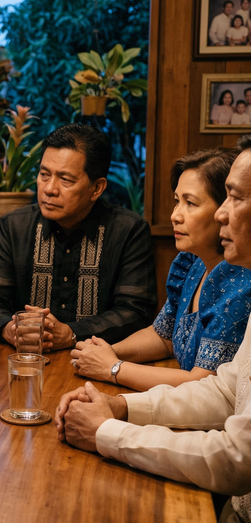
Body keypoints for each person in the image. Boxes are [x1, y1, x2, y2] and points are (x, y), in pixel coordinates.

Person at [55, 138, 251, 523]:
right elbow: (226, 392)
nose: (222, 214)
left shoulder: (239, 283)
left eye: (235, 198)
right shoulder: (191, 264)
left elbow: (236, 458)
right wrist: (120, 405)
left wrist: (109, 417)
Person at [70, 148, 251, 391]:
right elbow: (163, 337)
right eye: (177, 201)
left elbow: (204, 383)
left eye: (191, 203)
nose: (175, 215)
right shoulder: (193, 263)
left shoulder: (240, 282)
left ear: (224, 210)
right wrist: (105, 352)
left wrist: (113, 367)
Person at [0, 123, 157, 351]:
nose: (49, 189)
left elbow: (136, 312)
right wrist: (10, 329)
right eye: (44, 175)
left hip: (97, 363)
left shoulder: (128, 231)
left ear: (97, 188)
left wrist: (71, 333)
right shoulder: (14, 227)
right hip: (25, 360)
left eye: (65, 180)